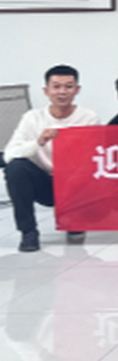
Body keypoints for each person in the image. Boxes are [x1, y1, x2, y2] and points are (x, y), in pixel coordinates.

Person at [4, 65, 99, 252]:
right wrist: (38, 142)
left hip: (75, 185)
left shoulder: (89, 118)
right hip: (44, 182)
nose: (62, 92)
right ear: (46, 91)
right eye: (56, 86)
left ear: (77, 90)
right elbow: (9, 154)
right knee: (15, 168)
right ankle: (28, 232)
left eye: (68, 86)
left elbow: (94, 158)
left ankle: (74, 218)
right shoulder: (32, 118)